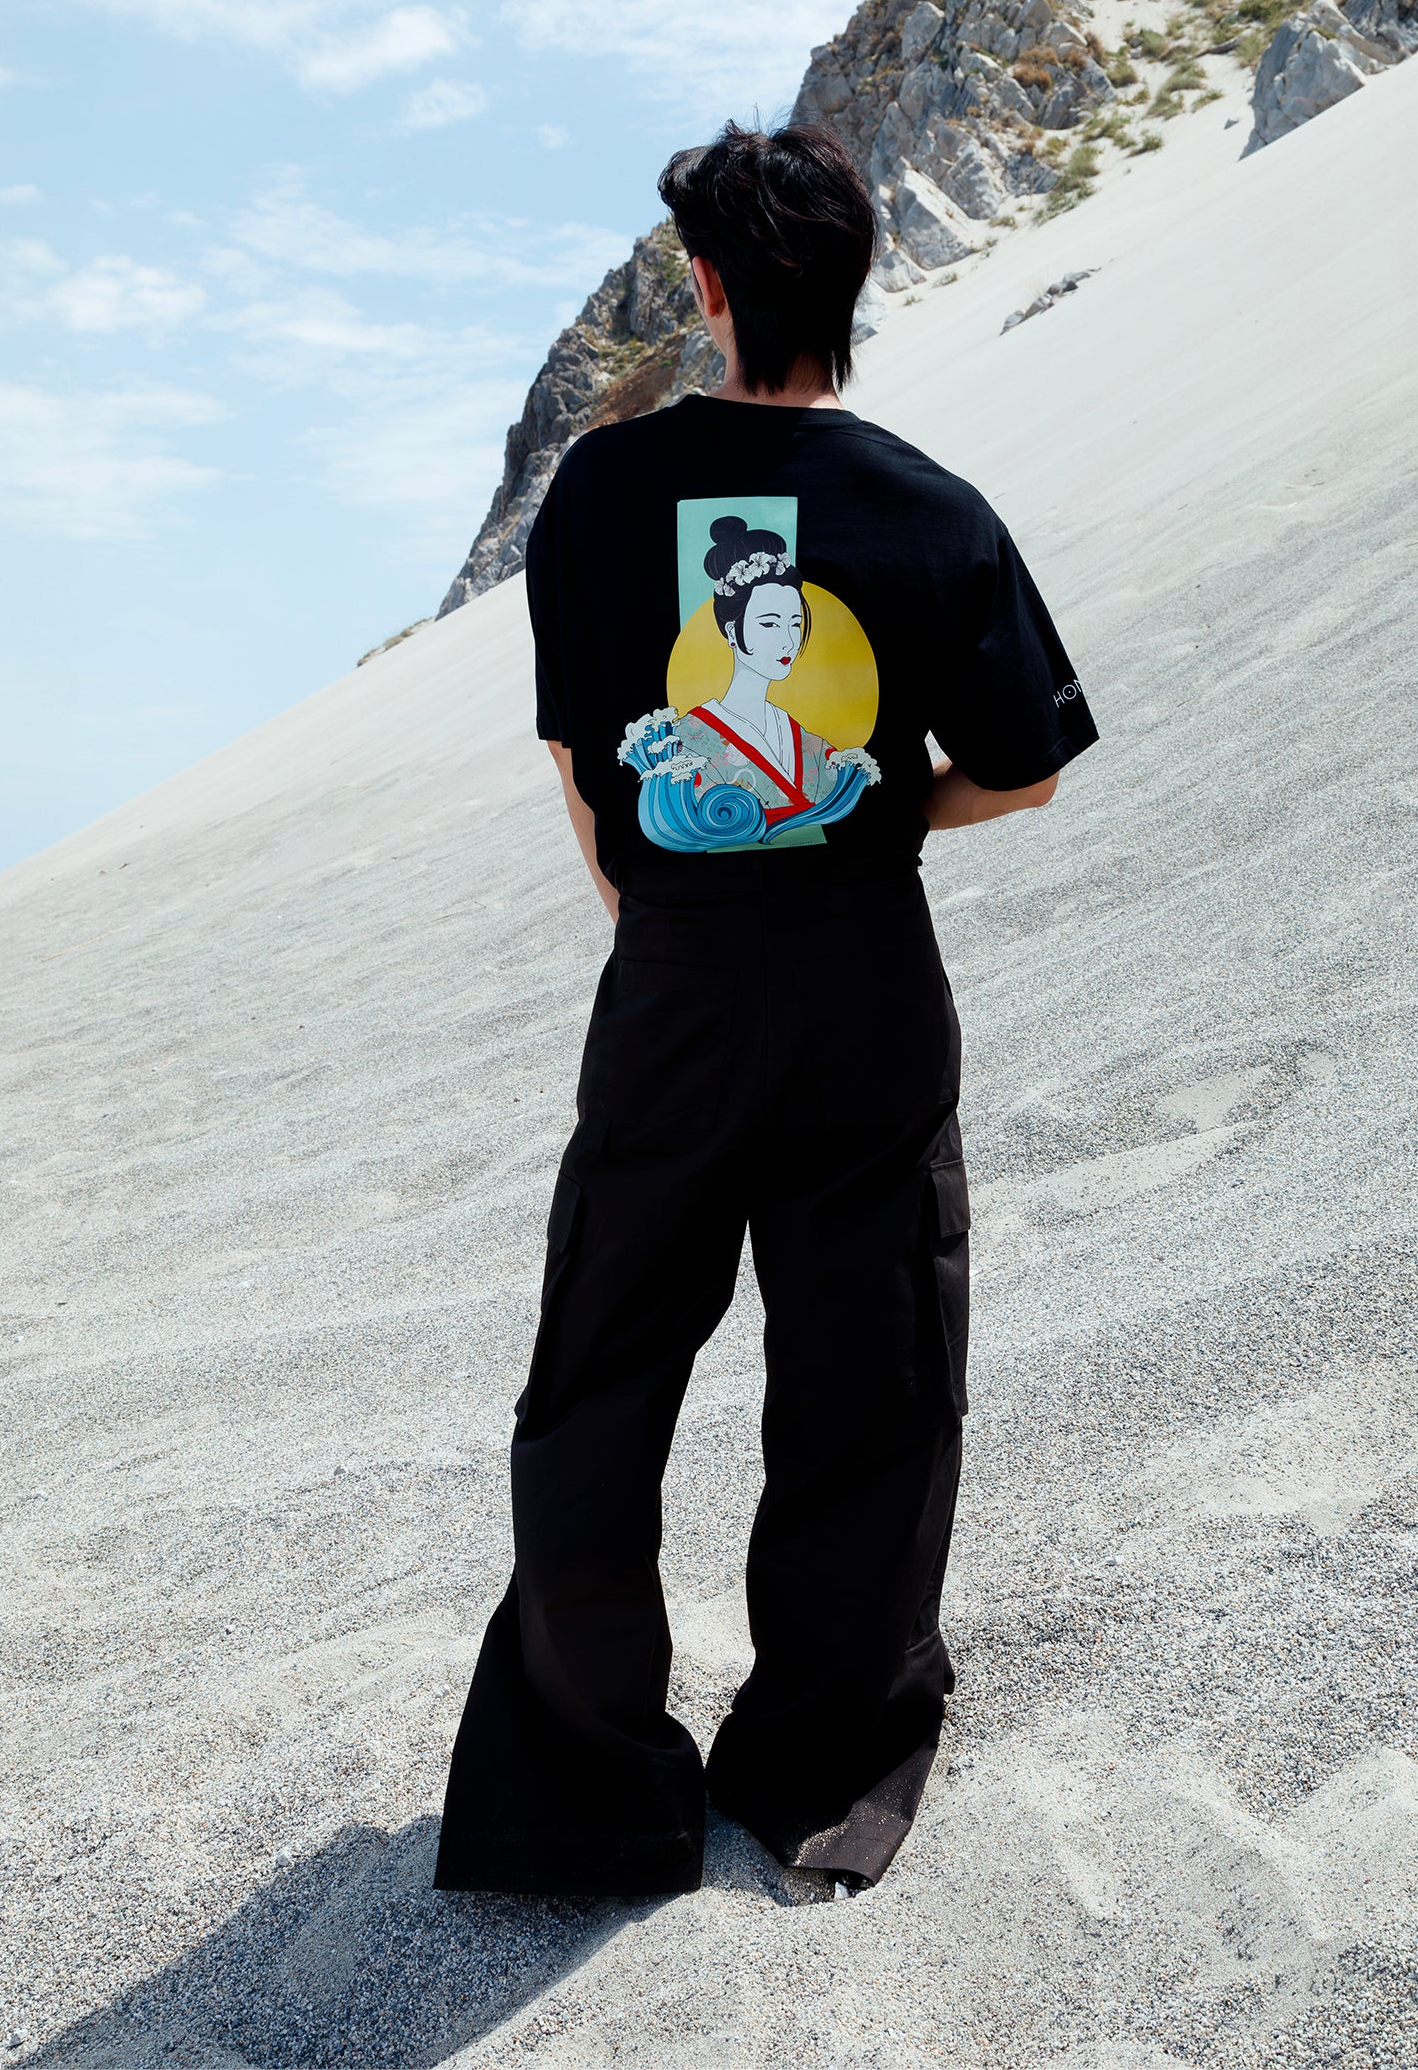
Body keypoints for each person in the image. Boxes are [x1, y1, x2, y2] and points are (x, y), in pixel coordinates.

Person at [434, 119, 1098, 1900]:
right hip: (865, 971)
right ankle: (820, 1751)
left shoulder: (599, 491)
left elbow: (589, 761)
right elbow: (1021, 774)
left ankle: (583, 1784)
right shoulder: (931, 508)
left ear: (709, 289)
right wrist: (875, 813)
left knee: (604, 1358)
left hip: (678, 976)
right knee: (866, 1362)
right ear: (855, 291)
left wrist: (665, 918)